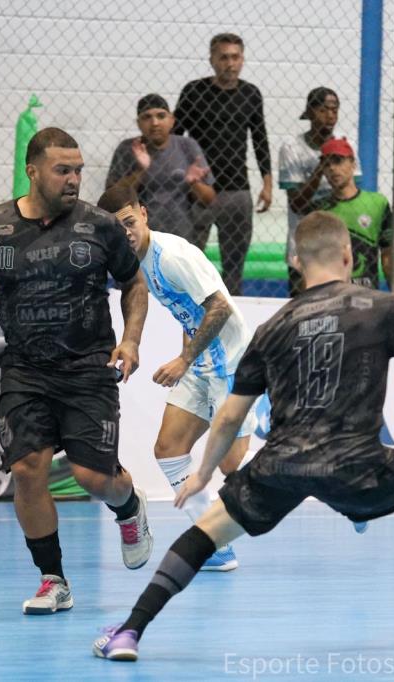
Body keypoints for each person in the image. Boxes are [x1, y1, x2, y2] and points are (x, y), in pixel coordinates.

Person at [92, 211, 394, 663]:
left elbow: (226, 419)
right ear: (349, 257)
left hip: (280, 465)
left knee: (207, 532)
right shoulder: (380, 306)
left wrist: (201, 474)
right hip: (357, 463)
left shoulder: (272, 327)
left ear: (295, 262)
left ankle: (130, 631)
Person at [0, 127, 154, 615]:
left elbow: (134, 284)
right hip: (25, 370)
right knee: (27, 470)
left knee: (92, 478)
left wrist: (131, 339)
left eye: (79, 169)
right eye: (64, 170)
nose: (75, 179)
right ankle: (53, 579)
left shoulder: (99, 226)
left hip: (88, 369)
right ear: (32, 170)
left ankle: (129, 506)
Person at [97, 184, 255, 571]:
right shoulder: (136, 262)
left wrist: (184, 359)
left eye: (130, 222)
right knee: (168, 449)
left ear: (144, 213)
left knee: (233, 466)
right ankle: (215, 544)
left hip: (234, 364)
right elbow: (190, 310)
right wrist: (184, 355)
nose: (127, 233)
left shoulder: (172, 256)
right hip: (202, 364)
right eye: (117, 230)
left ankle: (319, 476)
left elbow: (218, 306)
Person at [173, 33, 272, 295]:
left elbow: (259, 138)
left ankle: (230, 324)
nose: (230, 63)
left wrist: (267, 184)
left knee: (234, 269)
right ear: (212, 60)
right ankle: (184, 321)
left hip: (237, 191)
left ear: (242, 59)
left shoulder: (251, 94)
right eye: (224, 57)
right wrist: (182, 179)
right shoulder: (194, 91)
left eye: (235, 57)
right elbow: (175, 137)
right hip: (198, 194)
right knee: (187, 264)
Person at [105, 94, 216, 244]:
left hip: (183, 236)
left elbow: (210, 199)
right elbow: (112, 199)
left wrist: (193, 183)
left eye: (161, 116)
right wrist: (140, 171)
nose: (155, 123)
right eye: (147, 117)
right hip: (140, 237)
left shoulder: (187, 146)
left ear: (172, 121)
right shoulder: (128, 148)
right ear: (138, 123)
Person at [278, 87, 357, 295]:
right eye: (323, 110)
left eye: (334, 110)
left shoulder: (345, 144)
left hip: (338, 244)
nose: (330, 115)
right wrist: (321, 167)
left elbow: (352, 191)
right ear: (310, 112)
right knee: (302, 303)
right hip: (304, 243)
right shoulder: (292, 148)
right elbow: (297, 204)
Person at [292, 138, 392, 290]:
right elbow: (310, 263)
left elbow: (387, 253)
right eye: (326, 164)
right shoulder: (319, 211)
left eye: (338, 161)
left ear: (353, 163)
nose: (332, 168)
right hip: (329, 294)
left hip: (366, 292)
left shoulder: (378, 203)